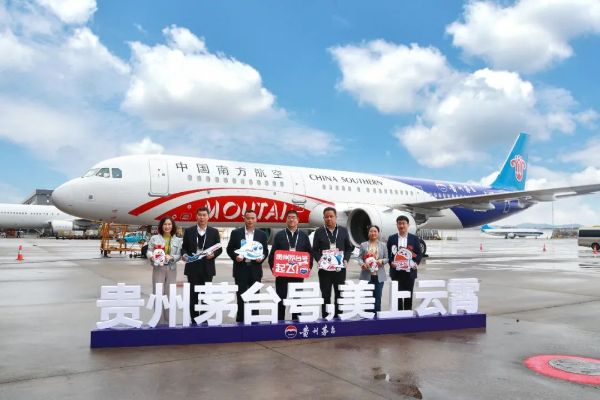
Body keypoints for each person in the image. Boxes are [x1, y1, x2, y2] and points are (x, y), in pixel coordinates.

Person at [268, 209, 313, 321]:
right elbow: (273, 254)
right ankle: (280, 321)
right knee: (280, 298)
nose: (291, 219)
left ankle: (296, 321)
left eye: (294, 217)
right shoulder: (279, 235)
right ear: (286, 220)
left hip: (298, 274)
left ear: (298, 220)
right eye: (289, 217)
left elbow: (309, 254)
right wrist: (273, 268)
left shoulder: (303, 236)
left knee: (297, 299)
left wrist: (308, 268)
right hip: (282, 273)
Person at [226, 210, 269, 323]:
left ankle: (254, 321)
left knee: (255, 297)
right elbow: (229, 249)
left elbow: (265, 250)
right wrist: (235, 257)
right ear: (244, 218)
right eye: (248, 218)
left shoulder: (261, 234)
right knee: (241, 297)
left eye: (252, 218)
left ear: (256, 219)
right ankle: (240, 321)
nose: (250, 220)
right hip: (241, 268)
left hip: (255, 269)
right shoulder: (236, 233)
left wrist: (262, 257)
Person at [312, 207, 354, 318]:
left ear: (336, 217)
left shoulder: (343, 231)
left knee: (339, 294)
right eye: (326, 217)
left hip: (339, 269)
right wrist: (319, 260)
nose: (329, 219)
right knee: (325, 295)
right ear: (324, 218)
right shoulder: (319, 232)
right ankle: (326, 317)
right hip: (324, 270)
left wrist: (346, 259)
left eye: (331, 216)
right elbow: (314, 250)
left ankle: (338, 317)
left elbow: (349, 248)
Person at [181, 207, 223, 322]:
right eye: (200, 215)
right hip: (192, 269)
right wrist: (184, 255)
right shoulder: (189, 231)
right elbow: (184, 248)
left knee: (206, 298)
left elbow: (219, 249)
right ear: (196, 216)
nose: (202, 217)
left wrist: (213, 255)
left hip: (207, 269)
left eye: (204, 215)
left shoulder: (214, 232)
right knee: (193, 297)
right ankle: (194, 321)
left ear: (208, 217)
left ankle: (204, 321)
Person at [146, 216, 183, 324]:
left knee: (170, 294)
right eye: (165, 224)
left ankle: (168, 320)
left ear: (173, 226)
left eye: (169, 224)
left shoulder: (178, 240)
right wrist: (151, 257)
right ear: (161, 226)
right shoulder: (154, 238)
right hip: (158, 268)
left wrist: (172, 257)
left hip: (171, 269)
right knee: (158, 294)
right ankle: (159, 320)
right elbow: (148, 251)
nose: (167, 226)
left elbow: (179, 255)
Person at [386, 215, 423, 310]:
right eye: (399, 223)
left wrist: (415, 263)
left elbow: (419, 254)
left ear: (408, 225)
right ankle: (399, 315)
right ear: (397, 225)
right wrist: (391, 263)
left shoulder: (414, 238)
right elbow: (388, 254)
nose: (401, 226)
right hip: (396, 272)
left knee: (408, 296)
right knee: (397, 296)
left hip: (409, 273)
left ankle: (407, 314)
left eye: (403, 223)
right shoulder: (392, 238)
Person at [357, 225, 388, 312]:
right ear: (368, 233)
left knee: (377, 297)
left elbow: (387, 258)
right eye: (371, 231)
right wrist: (362, 264)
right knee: (368, 298)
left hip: (379, 276)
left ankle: (377, 316)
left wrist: (382, 261)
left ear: (378, 233)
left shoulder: (383, 245)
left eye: (375, 231)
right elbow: (359, 258)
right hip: (367, 275)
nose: (373, 233)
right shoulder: (363, 245)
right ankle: (368, 317)